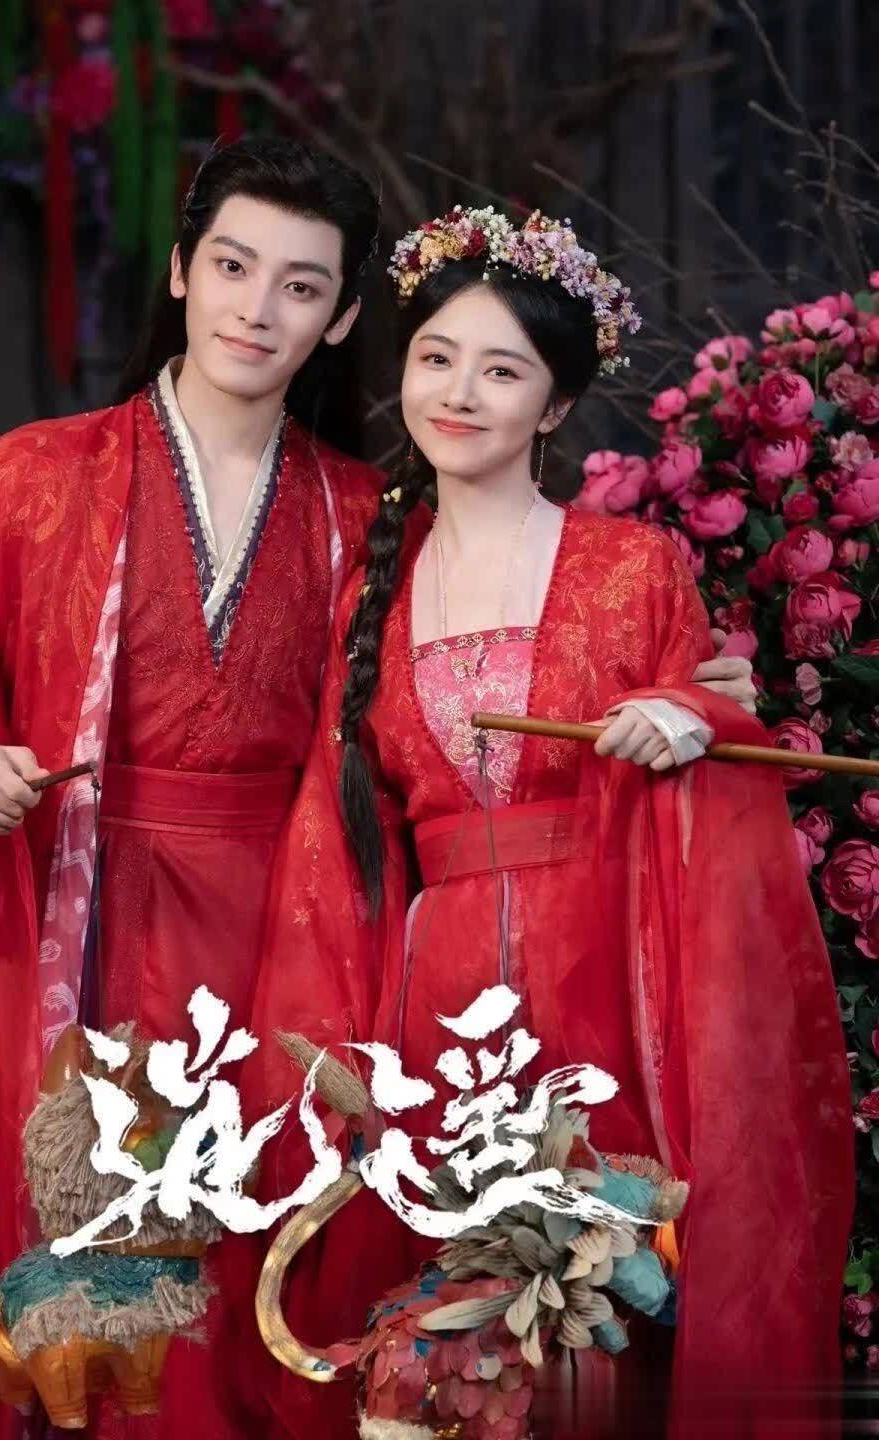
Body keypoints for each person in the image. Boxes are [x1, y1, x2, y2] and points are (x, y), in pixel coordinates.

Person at [0, 141, 753, 1440]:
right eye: (233, 267)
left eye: (301, 286)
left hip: (295, 956)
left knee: (255, 1300)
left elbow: (477, 699)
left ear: (344, 317)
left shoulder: (371, 517)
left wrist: (685, 697)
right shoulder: (29, 481)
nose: (258, 309)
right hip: (74, 928)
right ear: (181, 272)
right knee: (78, 1296)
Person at [246, 207, 854, 1440]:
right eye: (436, 358)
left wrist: (689, 721)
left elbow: (707, 730)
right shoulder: (374, 588)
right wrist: (330, 1047)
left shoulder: (630, 566)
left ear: (557, 406)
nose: (459, 393)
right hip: (434, 1002)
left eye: (502, 370)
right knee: (449, 1339)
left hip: (603, 985)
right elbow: (332, 839)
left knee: (603, 1325)